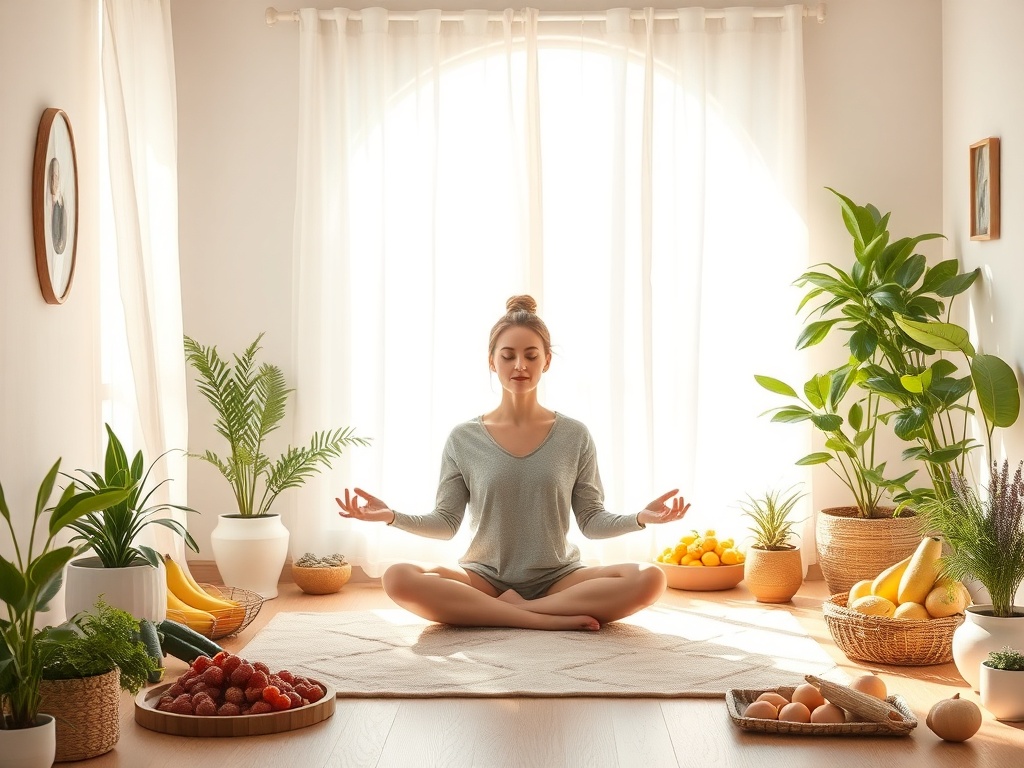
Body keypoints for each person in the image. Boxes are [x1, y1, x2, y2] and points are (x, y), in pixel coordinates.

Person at [337, 295, 690, 631]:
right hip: (484, 578)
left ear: (546, 360)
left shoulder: (575, 435)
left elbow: (591, 520)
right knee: (397, 576)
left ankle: (512, 612)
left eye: (531, 355)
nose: (519, 365)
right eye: (508, 356)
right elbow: (446, 523)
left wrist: (640, 518)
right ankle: (542, 619)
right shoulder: (464, 438)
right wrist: (391, 517)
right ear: (492, 361)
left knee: (650, 577)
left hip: (559, 579)